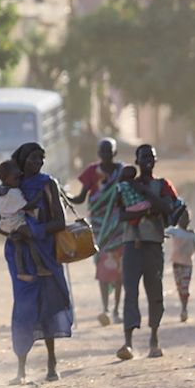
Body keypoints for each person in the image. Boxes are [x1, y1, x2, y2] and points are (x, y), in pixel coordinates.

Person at [0, 142, 72, 385]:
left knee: (48, 307)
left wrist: (34, 230)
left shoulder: (48, 184)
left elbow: (60, 222)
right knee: (24, 309)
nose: (38, 163)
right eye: (33, 159)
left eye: (41, 159)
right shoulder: (8, 188)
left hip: (46, 252)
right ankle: (21, 368)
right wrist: (14, 233)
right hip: (21, 258)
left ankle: (52, 364)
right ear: (22, 161)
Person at [116, 144, 179, 360]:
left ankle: (154, 338)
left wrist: (144, 194)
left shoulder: (161, 185)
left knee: (155, 292)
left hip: (153, 243)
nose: (147, 160)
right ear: (137, 160)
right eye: (143, 157)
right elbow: (120, 215)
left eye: (151, 156)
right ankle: (128, 343)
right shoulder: (125, 186)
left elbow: (169, 208)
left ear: (156, 160)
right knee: (130, 292)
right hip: (131, 244)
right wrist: (149, 209)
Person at [69, 138, 125, 326]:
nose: (106, 155)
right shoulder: (91, 172)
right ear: (98, 153)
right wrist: (62, 195)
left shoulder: (122, 171)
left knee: (119, 269)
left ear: (115, 153)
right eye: (103, 152)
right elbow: (80, 198)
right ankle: (106, 309)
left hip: (118, 226)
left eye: (109, 152)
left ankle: (117, 309)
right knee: (103, 268)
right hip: (100, 228)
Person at [0, 160, 52, 282]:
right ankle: (39, 267)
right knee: (32, 241)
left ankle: (21, 272)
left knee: (19, 246)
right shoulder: (14, 193)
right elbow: (27, 206)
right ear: (7, 179)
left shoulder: (0, 190)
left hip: (5, 223)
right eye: (16, 178)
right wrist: (38, 196)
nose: (19, 181)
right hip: (16, 222)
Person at [165, 208, 195, 322]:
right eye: (182, 218)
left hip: (187, 264)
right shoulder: (174, 231)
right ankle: (183, 308)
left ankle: (184, 309)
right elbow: (164, 232)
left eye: (186, 219)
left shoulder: (193, 234)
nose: (184, 221)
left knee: (184, 288)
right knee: (180, 287)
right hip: (177, 264)